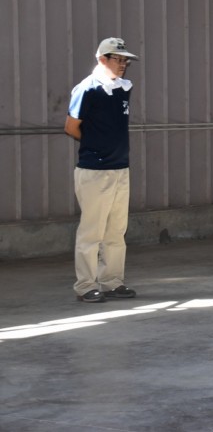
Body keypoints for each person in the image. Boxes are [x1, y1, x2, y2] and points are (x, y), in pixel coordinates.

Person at [65, 38, 140, 303]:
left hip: (120, 168)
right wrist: (95, 147)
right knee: (91, 232)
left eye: (125, 60)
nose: (123, 64)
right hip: (95, 170)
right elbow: (71, 127)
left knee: (116, 231)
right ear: (101, 59)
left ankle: (112, 281)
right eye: (117, 59)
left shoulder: (122, 89)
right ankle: (85, 285)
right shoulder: (87, 89)